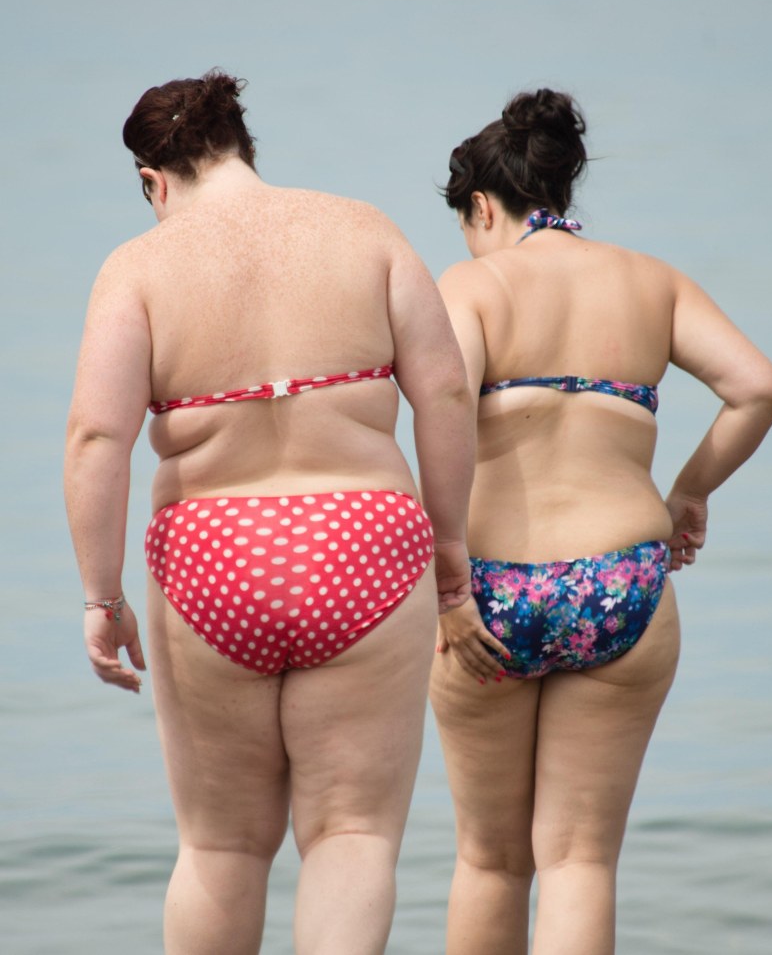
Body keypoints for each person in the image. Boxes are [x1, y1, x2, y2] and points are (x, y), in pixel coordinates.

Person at [64, 69, 475, 955]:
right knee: (353, 835)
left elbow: (99, 437)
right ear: (245, 148)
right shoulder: (365, 231)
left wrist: (102, 600)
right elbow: (445, 392)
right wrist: (451, 545)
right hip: (365, 542)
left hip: (213, 555)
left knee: (219, 848)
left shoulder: (137, 267)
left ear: (154, 181)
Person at [428, 88, 772, 955]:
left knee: (489, 859)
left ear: (483, 206)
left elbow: (443, 402)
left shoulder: (473, 286)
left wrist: (445, 576)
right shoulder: (651, 281)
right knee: (582, 860)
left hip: (491, 593)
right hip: (622, 583)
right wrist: (689, 493)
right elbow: (759, 389)